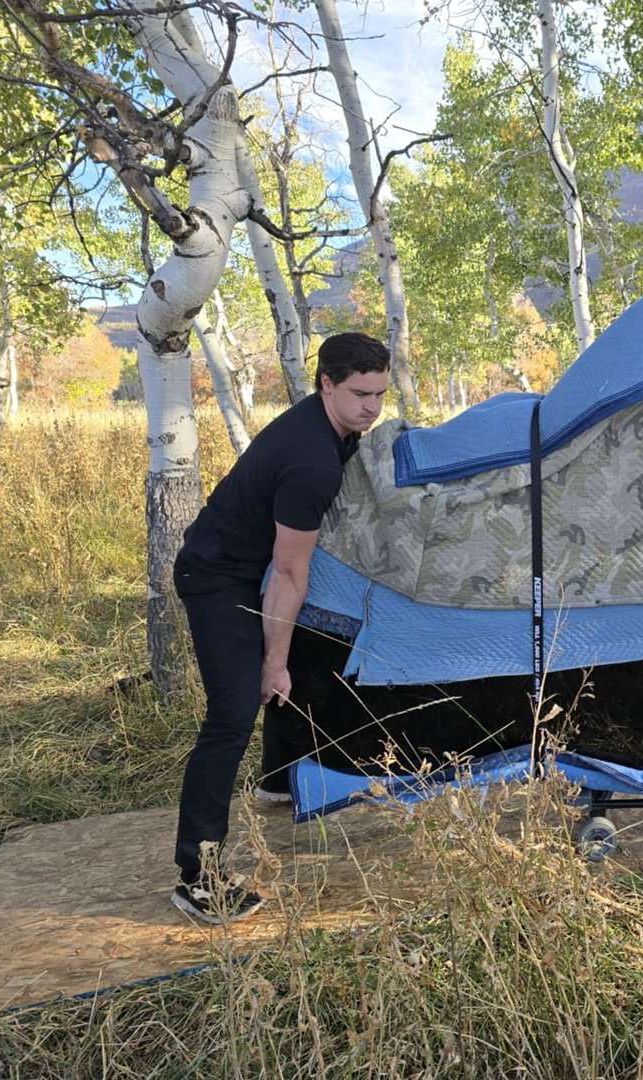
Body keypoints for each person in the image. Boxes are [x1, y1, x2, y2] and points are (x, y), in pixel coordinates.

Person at [170, 332, 390, 923]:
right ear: (326, 384)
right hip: (217, 577)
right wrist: (272, 662)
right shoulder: (310, 460)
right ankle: (198, 878)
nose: (371, 407)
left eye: (379, 394)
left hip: (253, 568)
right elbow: (290, 574)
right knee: (233, 711)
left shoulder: (333, 427)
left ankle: (277, 780)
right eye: (360, 394)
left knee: (299, 652)